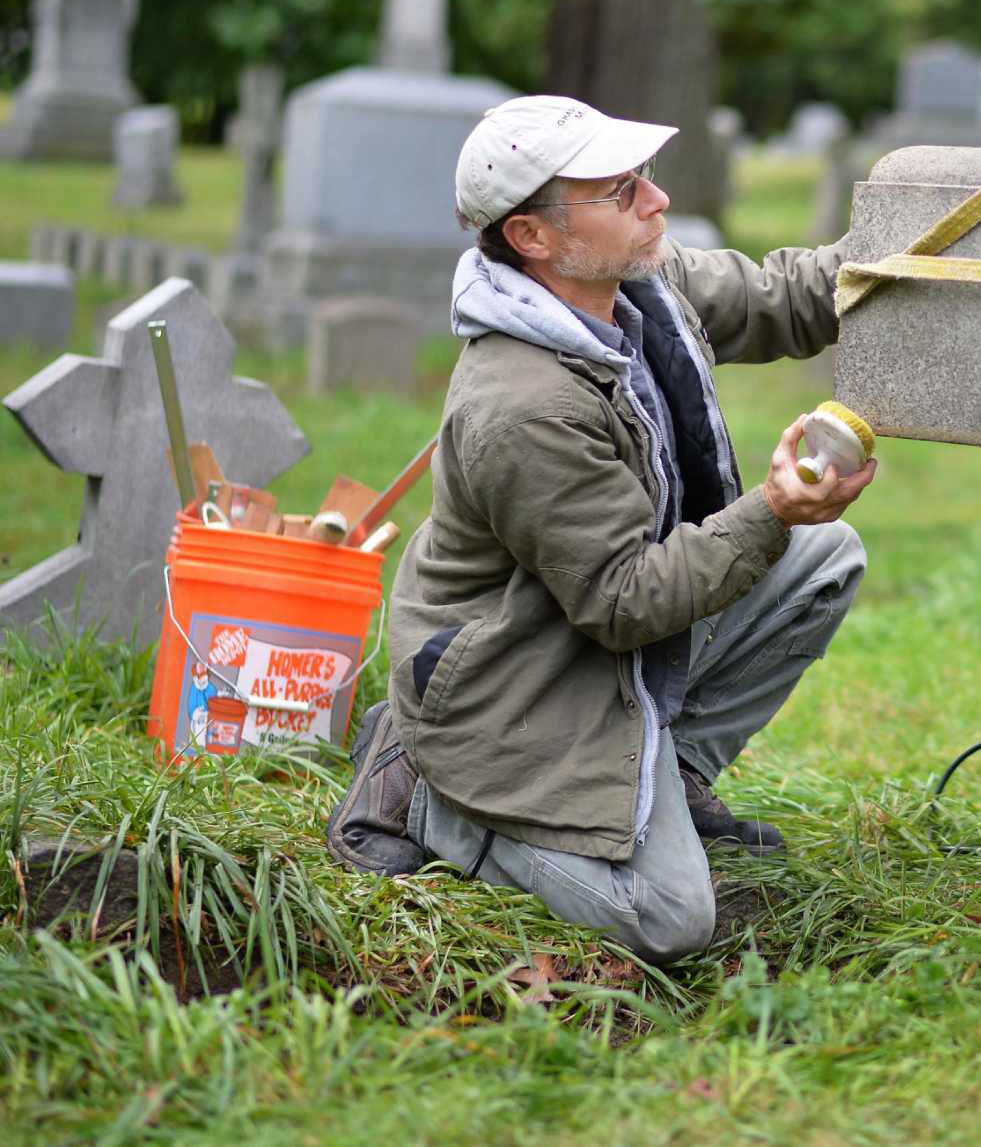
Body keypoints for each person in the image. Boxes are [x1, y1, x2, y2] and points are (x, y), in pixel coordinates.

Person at [326, 95, 875, 963]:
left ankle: (671, 769)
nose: (655, 202)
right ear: (533, 238)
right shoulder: (522, 404)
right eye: (621, 191)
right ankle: (436, 799)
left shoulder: (636, 290)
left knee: (823, 557)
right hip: (516, 681)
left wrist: (920, 251)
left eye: (643, 179)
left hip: (589, 634)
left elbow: (784, 297)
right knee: (670, 916)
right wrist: (770, 511)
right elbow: (622, 600)